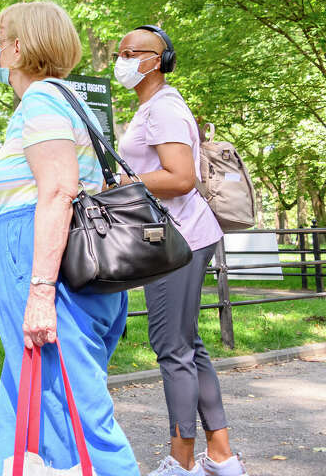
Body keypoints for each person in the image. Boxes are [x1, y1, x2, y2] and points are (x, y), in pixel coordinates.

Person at [0, 1, 138, 476]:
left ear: (17, 47)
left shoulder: (43, 100)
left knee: (77, 414)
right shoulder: (67, 100)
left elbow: (57, 190)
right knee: (23, 408)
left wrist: (40, 291)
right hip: (51, 256)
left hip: (43, 258)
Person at [114, 26, 245, 476]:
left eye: (134, 52)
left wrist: (123, 184)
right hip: (175, 237)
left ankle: (182, 462)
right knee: (190, 346)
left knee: (171, 349)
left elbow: (180, 177)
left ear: (160, 59)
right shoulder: (150, 108)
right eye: (121, 52)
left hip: (178, 239)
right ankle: (223, 458)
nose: (124, 59)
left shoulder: (165, 108)